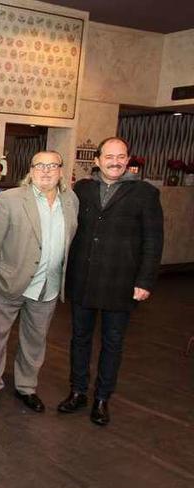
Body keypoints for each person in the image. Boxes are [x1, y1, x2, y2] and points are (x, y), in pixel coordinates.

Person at [59, 136, 163, 426]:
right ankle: (78, 392)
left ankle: (102, 398)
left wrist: (145, 281)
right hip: (83, 278)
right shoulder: (82, 189)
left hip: (121, 282)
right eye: (109, 156)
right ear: (97, 160)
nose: (115, 162)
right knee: (79, 339)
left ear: (128, 159)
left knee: (113, 343)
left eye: (121, 156)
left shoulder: (145, 193)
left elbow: (154, 241)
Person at [0, 151, 78, 412]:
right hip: (8, 282)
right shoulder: (11, 199)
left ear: (60, 170)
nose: (46, 171)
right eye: (40, 166)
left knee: (35, 341)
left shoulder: (71, 200)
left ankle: (26, 387)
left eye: (52, 166)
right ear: (30, 170)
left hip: (48, 284)